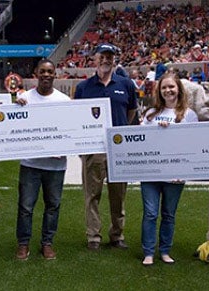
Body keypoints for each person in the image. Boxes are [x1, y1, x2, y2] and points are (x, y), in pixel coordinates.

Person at [74, 43, 137, 250]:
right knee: (92, 194)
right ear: (94, 59)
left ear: (114, 60)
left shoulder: (126, 84)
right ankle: (93, 235)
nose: (105, 60)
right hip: (94, 148)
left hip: (118, 148)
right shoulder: (84, 87)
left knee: (118, 194)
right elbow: (77, 117)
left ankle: (117, 234)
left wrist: (119, 130)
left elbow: (131, 112)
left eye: (109, 56)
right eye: (102, 56)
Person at [15, 59, 71, 261]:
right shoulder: (24, 98)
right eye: (43, 71)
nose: (46, 75)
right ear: (36, 73)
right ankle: (23, 243)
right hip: (30, 163)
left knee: (53, 205)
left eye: (50, 71)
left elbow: (71, 131)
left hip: (55, 165)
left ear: (55, 74)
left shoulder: (64, 100)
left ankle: (47, 243)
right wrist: (15, 106)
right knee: (25, 207)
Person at [140, 72, 198, 265]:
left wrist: (183, 171)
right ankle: (148, 252)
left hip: (175, 174)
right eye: (164, 87)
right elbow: (142, 142)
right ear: (159, 91)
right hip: (151, 173)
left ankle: (165, 250)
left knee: (168, 214)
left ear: (178, 89)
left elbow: (193, 146)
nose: (168, 90)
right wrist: (156, 130)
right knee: (150, 213)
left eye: (171, 86)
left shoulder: (189, 115)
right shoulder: (150, 114)